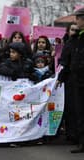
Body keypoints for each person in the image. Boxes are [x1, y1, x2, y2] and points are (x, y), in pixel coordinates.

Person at [56, 8, 84, 153]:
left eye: (78, 18)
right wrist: (61, 77)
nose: (76, 21)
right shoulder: (74, 39)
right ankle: (82, 141)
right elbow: (67, 61)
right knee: (79, 112)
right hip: (77, 81)